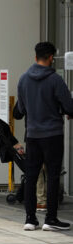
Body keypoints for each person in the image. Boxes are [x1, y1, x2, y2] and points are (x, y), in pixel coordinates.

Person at [17, 42, 73, 231]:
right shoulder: (55, 80)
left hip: (32, 135)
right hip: (53, 135)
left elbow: (21, 109)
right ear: (51, 58)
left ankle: (30, 219)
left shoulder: (23, 79)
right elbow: (69, 106)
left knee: (31, 176)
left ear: (35, 57)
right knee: (52, 176)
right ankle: (50, 219)